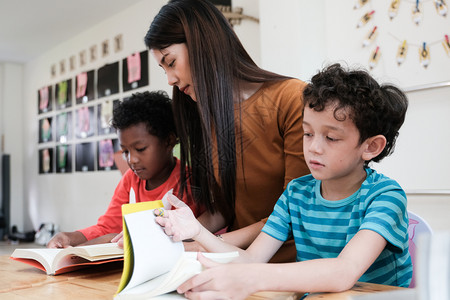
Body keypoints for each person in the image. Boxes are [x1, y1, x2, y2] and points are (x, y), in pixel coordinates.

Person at [154, 63, 413, 299]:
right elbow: (251, 260)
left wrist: (250, 278)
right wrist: (198, 232)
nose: (314, 148)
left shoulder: (385, 196)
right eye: (307, 133)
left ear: (371, 147)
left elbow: (343, 271)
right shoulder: (296, 193)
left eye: (331, 138)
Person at [145, 0, 310, 262]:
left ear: (202, 44)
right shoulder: (207, 114)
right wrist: (168, 233)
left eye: (171, 62)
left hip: (291, 267)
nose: (170, 80)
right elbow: (223, 208)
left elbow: (294, 213)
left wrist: (204, 241)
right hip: (230, 263)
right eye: (163, 68)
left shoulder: (291, 98)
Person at [47, 91, 203, 248]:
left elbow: (184, 239)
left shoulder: (187, 182)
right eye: (125, 151)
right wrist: (69, 237)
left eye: (140, 149)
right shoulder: (130, 179)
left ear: (169, 142)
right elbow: (107, 227)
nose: (131, 160)